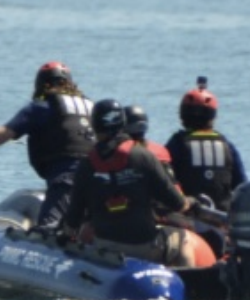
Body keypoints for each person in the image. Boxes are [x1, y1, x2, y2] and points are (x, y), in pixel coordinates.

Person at [66, 98, 215, 268]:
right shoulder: (143, 156)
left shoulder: (86, 165)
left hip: (104, 246)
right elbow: (177, 204)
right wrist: (192, 202)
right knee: (185, 240)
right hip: (145, 246)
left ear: (94, 126)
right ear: (122, 123)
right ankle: (188, 286)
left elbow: (72, 222)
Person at [0, 61, 94, 237]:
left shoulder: (41, 107)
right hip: (102, 180)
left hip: (67, 181)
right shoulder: (92, 108)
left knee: (48, 232)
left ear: (40, 84)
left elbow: (0, 136)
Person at [163, 76, 248, 210]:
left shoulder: (177, 144)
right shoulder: (227, 146)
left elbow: (162, 179)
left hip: (189, 214)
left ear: (183, 115)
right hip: (223, 215)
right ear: (212, 116)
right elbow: (242, 185)